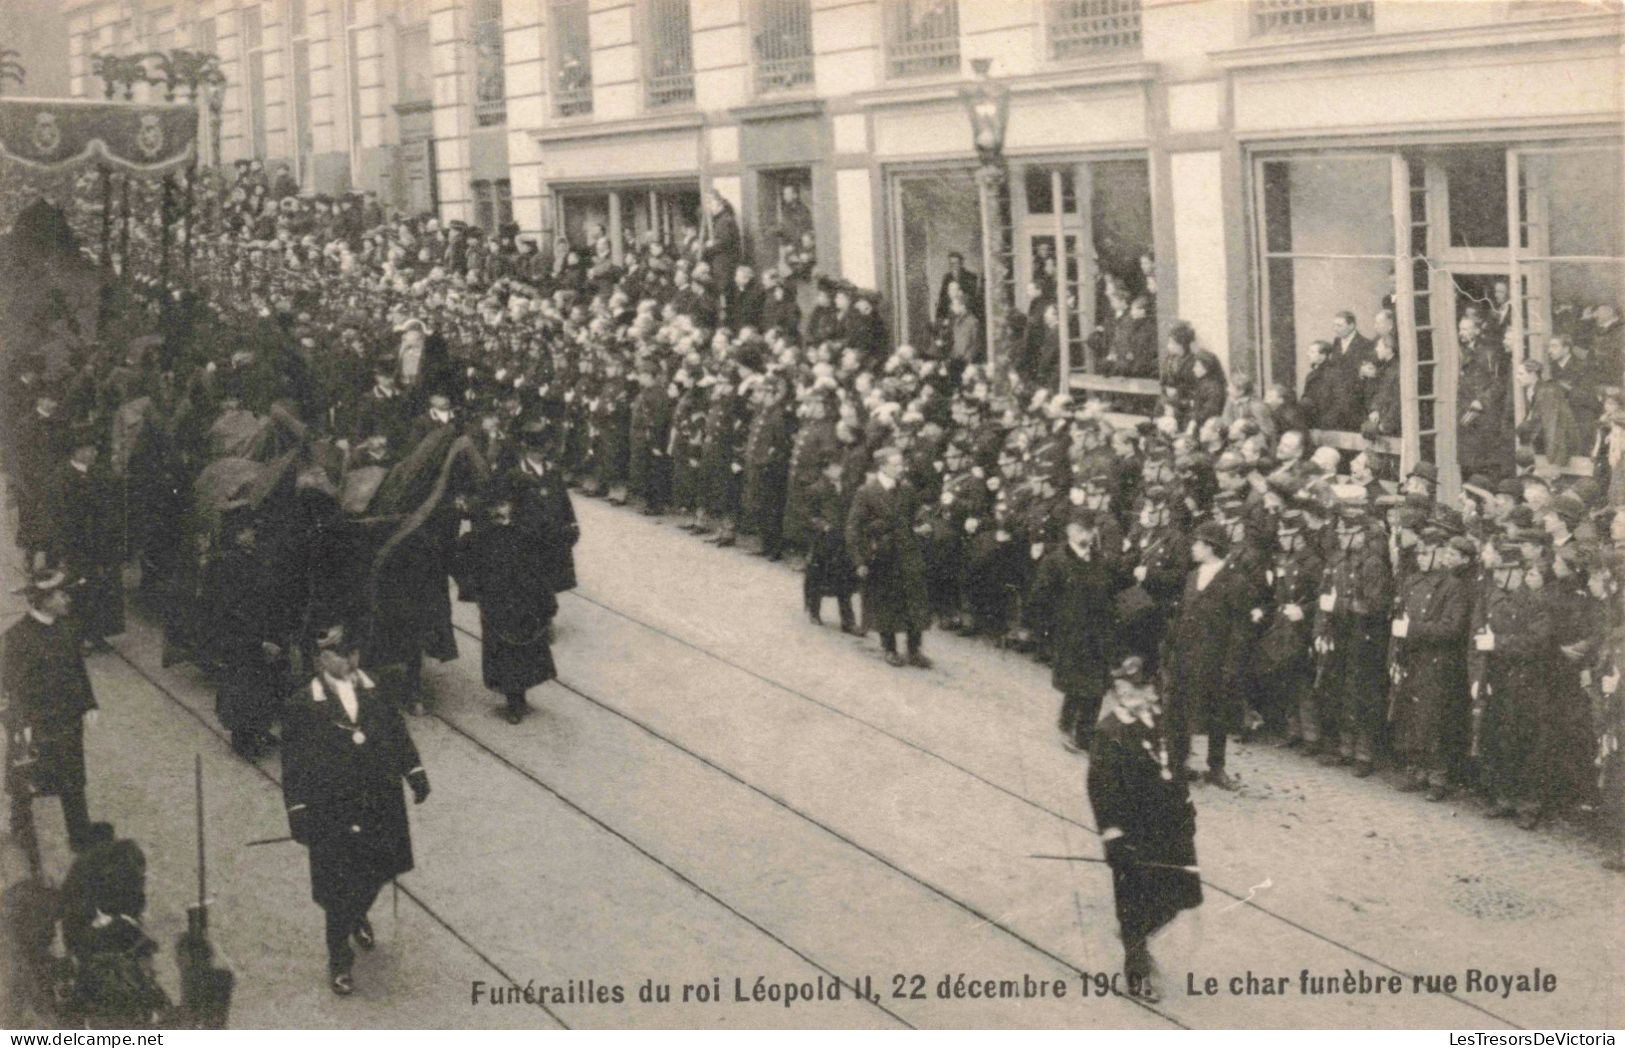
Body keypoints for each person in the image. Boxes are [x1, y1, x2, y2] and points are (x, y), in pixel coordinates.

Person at [281, 623, 430, 996]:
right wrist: (297, 809)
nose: (348, 659)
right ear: (319, 660)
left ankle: (358, 912)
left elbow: (397, 733)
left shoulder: (376, 689)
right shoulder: (303, 704)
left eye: (352, 652)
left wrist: (414, 772)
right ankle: (339, 959)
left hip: (379, 803)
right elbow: (294, 762)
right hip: (331, 810)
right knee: (336, 890)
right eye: (337, 654)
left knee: (378, 871)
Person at [1085, 654, 1202, 1003]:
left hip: (1167, 828)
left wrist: (1185, 802)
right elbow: (1099, 787)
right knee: (1134, 902)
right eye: (1126, 689)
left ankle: (1134, 937)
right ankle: (1136, 971)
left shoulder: (1161, 724)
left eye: (1143, 689)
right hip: (1131, 831)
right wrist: (1111, 832)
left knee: (1174, 898)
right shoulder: (1109, 731)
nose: (1136, 696)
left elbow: (1175, 766)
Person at [3, 570, 103, 868]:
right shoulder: (16, 638)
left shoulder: (68, 629)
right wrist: (19, 727)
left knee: (73, 778)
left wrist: (89, 704)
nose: (67, 599)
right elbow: (6, 689)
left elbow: (78, 670)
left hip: (67, 721)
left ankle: (80, 835)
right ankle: (20, 840)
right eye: (61, 594)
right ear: (44, 600)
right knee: (25, 780)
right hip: (35, 726)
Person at [454, 487, 559, 724]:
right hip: (496, 604)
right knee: (503, 652)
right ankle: (513, 700)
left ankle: (519, 694)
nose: (500, 510)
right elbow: (459, 563)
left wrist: (548, 604)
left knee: (524, 649)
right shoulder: (478, 538)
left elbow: (541, 571)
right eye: (495, 506)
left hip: (524, 601)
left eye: (504, 505)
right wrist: (474, 590)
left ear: (512, 507)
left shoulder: (526, 535)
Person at [1162, 521, 1252, 789]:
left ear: (1211, 547)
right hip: (1185, 656)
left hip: (1215, 659)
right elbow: (1182, 616)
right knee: (1178, 709)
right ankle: (1177, 763)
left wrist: (1231, 665)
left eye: (1197, 544)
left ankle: (1216, 767)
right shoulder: (1193, 576)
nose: (1192, 548)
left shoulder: (1235, 581)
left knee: (1217, 714)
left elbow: (1239, 628)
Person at [1387, 529, 1472, 800]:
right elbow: (1399, 616)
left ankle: (1438, 777)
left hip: (1436, 660)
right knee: (1411, 716)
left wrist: (1413, 629)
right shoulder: (1411, 582)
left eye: (1426, 553)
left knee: (1434, 719)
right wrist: (1396, 651)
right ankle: (1418, 770)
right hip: (1412, 656)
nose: (1421, 559)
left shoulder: (1452, 586)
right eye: (1419, 553)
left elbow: (1452, 628)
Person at [1030, 507, 1118, 752]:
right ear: (1069, 531)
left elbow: (1110, 592)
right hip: (1070, 632)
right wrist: (1047, 630)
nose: (1084, 535)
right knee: (1076, 684)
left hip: (1098, 633)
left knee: (1097, 686)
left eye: (1088, 531)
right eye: (1078, 530)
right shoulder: (1057, 561)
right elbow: (1041, 597)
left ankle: (1085, 734)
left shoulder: (1100, 561)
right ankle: (1066, 725)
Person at [208, 507, 284, 759]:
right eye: (245, 530)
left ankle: (259, 729)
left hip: (259, 635)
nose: (251, 533)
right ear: (234, 534)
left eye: (251, 528)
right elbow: (231, 609)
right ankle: (243, 739)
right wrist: (259, 641)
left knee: (262, 686)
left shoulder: (254, 557)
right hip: (242, 639)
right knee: (243, 688)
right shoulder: (227, 563)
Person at [846, 446, 931, 668]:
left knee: (915, 600)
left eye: (902, 463)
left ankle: (914, 649)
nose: (901, 468)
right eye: (896, 464)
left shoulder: (907, 490)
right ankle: (890, 647)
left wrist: (922, 524)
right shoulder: (866, 492)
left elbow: (917, 514)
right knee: (886, 602)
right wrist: (859, 560)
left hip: (908, 550)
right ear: (883, 466)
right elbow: (854, 527)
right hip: (883, 555)